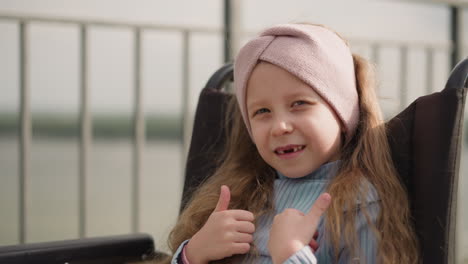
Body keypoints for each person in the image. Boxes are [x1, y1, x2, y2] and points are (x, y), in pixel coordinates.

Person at [164, 23, 419, 264]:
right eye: (262, 111)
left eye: (299, 104)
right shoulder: (243, 193)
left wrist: (292, 254)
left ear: (343, 113)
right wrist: (193, 253)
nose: (280, 126)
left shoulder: (359, 205)